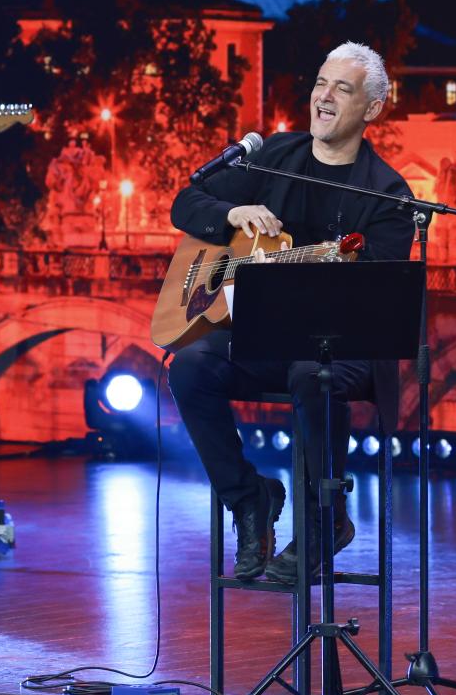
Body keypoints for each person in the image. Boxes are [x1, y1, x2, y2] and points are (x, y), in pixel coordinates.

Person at [169, 42, 414, 583]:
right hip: (264, 336)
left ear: (372, 109)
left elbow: (376, 296)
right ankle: (248, 498)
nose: (324, 97)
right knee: (189, 367)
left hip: (345, 346)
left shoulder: (390, 196)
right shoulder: (275, 154)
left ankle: (326, 522)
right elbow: (186, 204)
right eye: (320, 83)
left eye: (342, 89)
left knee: (313, 372)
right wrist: (233, 212)